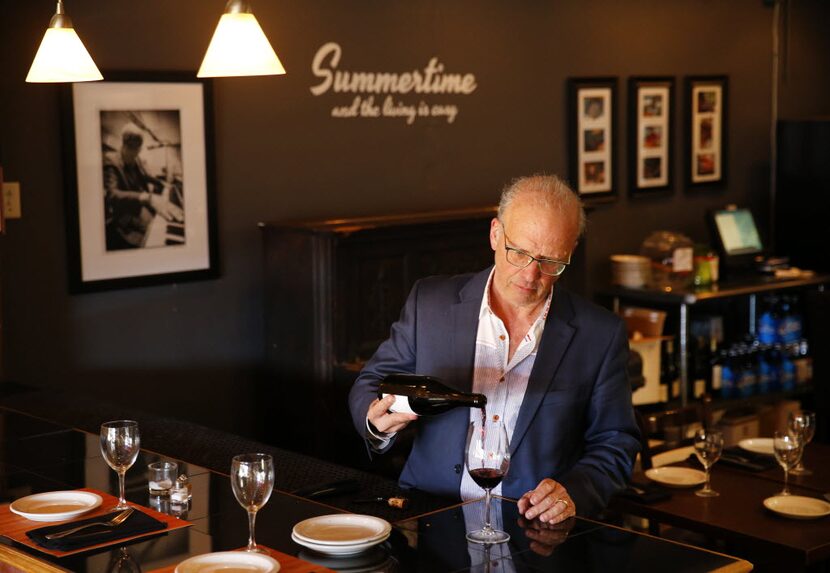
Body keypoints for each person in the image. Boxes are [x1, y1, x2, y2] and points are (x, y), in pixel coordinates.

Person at [348, 174, 640, 524]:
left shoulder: (600, 334)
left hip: (531, 527)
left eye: (550, 262)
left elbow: (616, 442)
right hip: (429, 515)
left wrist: (573, 492)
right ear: (495, 234)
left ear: (570, 253)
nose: (531, 275)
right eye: (518, 253)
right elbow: (372, 380)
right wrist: (375, 420)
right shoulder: (431, 303)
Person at [103, 122, 183, 250]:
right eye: (133, 152)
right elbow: (112, 194)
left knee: (164, 217)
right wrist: (145, 197)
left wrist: (162, 183)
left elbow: (144, 176)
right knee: (153, 232)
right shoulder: (110, 161)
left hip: (139, 206)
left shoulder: (136, 158)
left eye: (137, 152)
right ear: (124, 145)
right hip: (125, 215)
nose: (135, 156)